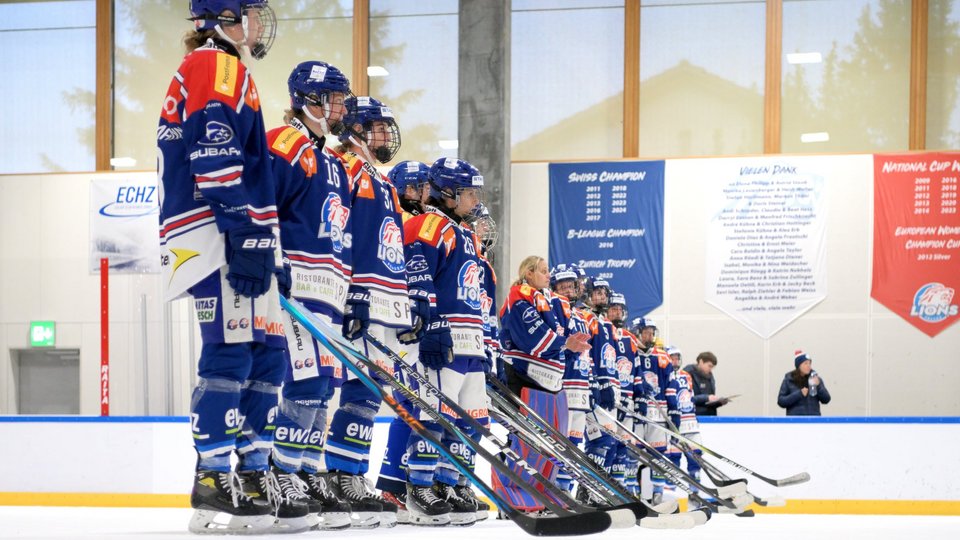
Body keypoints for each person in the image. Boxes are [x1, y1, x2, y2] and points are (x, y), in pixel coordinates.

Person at [158, 1, 287, 534]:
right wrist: (241, 228)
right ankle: (212, 475)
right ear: (224, 18)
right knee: (232, 352)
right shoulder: (217, 63)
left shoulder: (223, 65)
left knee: (267, 354)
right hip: (214, 230)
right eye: (251, 15)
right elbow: (214, 150)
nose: (258, 26)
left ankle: (253, 471)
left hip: (232, 227)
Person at [265, 60, 356, 530]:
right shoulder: (286, 144)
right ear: (308, 100)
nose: (342, 107)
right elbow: (265, 202)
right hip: (298, 281)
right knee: (300, 380)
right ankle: (276, 469)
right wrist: (272, 258)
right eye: (335, 98)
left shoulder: (331, 161)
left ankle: (301, 464)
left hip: (329, 290)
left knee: (323, 385)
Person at [321, 95, 407, 528]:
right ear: (355, 127)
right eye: (376, 126)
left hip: (384, 304)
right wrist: (353, 292)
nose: (384, 135)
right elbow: (343, 232)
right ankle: (336, 476)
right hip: (358, 299)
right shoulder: (346, 168)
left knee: (370, 392)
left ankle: (352, 474)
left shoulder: (381, 178)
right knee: (348, 385)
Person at [393, 158, 494, 526]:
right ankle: (419, 486)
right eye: (469, 193)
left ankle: (447, 483)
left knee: (470, 421)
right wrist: (432, 323)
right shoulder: (428, 225)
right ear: (448, 194)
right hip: (447, 337)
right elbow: (418, 275)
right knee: (435, 417)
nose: (474, 200)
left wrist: (488, 345)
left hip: (471, 342)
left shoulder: (464, 233)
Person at [495, 256, 591, 513]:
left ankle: (540, 493)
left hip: (548, 380)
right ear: (528, 273)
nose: (548, 275)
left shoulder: (548, 302)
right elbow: (532, 338)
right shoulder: (520, 295)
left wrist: (571, 348)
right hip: (522, 375)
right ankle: (510, 492)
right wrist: (564, 345)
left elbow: (559, 341)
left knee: (547, 441)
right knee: (524, 437)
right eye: (543, 271)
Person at [631, 316, 674, 506]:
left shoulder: (662, 356)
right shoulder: (631, 351)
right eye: (646, 332)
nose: (649, 336)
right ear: (637, 333)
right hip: (637, 413)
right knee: (632, 455)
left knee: (659, 455)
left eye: (651, 333)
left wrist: (674, 411)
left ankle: (658, 493)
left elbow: (671, 386)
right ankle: (631, 491)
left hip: (658, 415)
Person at [778, 350, 831, 416]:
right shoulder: (789, 380)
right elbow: (781, 401)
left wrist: (819, 386)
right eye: (805, 363)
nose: (809, 366)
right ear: (799, 366)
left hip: (813, 421)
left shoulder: (816, 379)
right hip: (795, 422)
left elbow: (826, 400)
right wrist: (799, 394)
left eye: (809, 363)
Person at [682, 351, 727, 416]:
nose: (710, 369)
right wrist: (706, 398)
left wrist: (718, 403)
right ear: (701, 362)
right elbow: (685, 399)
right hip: (694, 417)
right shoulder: (687, 374)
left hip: (709, 417)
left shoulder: (710, 377)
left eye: (712, 367)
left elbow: (709, 401)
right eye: (709, 366)